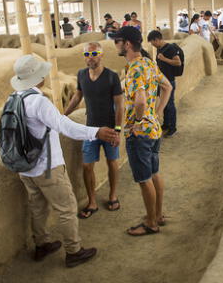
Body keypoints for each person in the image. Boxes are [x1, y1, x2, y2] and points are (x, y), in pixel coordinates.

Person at [9, 54, 118, 267]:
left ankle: (42, 244)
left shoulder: (13, 99)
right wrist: (96, 132)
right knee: (67, 208)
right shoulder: (39, 102)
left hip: (24, 167)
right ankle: (74, 251)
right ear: (38, 77)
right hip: (46, 166)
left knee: (38, 207)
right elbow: (64, 126)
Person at [112, 26, 173, 236]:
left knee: (144, 178)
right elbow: (167, 87)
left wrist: (137, 123)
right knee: (155, 174)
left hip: (140, 134)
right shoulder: (148, 63)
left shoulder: (134, 69)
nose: (116, 45)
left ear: (127, 44)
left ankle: (150, 223)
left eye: (117, 41)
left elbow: (139, 100)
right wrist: (156, 113)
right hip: (153, 130)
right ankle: (158, 215)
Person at [64, 42, 124, 218]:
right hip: (90, 129)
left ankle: (112, 195)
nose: (90, 57)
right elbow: (78, 96)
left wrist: (118, 130)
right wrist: (64, 115)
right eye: (87, 54)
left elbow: (119, 106)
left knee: (112, 162)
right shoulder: (81, 74)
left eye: (94, 53)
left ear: (101, 54)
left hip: (110, 128)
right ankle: (92, 201)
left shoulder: (112, 77)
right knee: (87, 165)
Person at [148, 30, 180, 137]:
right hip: (162, 81)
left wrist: (164, 59)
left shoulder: (170, 48)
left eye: (153, 43)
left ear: (157, 39)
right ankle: (166, 125)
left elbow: (177, 62)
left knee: (170, 104)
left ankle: (173, 128)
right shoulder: (159, 49)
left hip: (169, 81)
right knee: (165, 104)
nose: (153, 45)